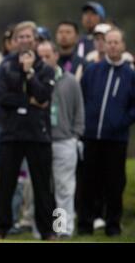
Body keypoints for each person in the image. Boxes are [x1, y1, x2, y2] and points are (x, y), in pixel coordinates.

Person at [0, 21, 56, 240]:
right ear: (15, 41)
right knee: (6, 185)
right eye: (21, 37)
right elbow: (2, 98)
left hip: (38, 134)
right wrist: (28, 101)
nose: (25, 40)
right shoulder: (5, 67)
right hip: (11, 134)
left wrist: (29, 74)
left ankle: (47, 230)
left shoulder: (46, 69)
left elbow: (44, 96)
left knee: (42, 186)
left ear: (36, 40)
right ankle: (0, 228)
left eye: (29, 36)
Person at [78, 28, 135, 237]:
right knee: (88, 183)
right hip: (91, 136)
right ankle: (85, 224)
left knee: (114, 184)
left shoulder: (130, 75)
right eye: (108, 42)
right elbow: (81, 97)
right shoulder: (93, 70)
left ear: (122, 45)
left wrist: (122, 121)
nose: (111, 45)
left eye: (115, 42)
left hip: (116, 139)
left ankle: (113, 225)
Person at [37, 40, 85, 238]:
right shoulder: (34, 79)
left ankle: (62, 228)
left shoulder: (70, 80)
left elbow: (79, 110)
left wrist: (75, 135)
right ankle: (41, 229)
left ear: (56, 56)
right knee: (40, 188)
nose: (45, 60)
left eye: (48, 56)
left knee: (64, 187)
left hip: (64, 141)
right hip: (40, 141)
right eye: (41, 57)